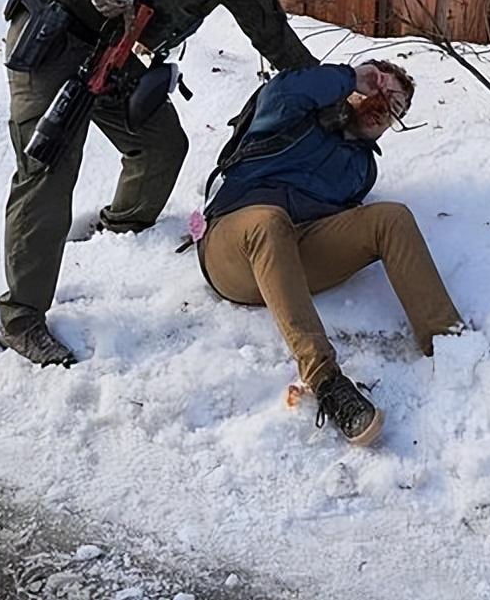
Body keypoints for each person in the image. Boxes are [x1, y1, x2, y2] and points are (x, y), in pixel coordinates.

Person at [0, 0, 318, 367]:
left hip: (110, 53)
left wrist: (334, 88)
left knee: (162, 144)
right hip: (53, 34)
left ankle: (121, 231)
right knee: (48, 166)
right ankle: (21, 319)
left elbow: (275, 38)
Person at [196, 59, 463, 446]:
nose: (383, 107)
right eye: (379, 91)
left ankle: (452, 345)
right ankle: (325, 381)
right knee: (269, 221)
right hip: (232, 250)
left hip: (292, 259)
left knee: (391, 217)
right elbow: (287, 87)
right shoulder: (290, 115)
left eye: (396, 108)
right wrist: (351, 77)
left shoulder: (361, 169)